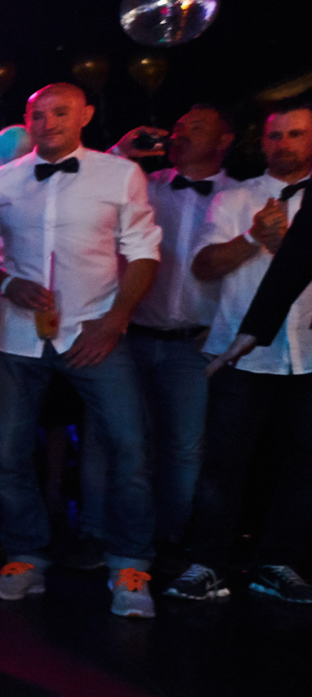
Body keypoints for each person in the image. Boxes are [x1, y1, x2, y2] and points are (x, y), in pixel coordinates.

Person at [0, 82, 162, 617]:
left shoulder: (119, 174)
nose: (48, 122)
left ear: (86, 115)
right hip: (18, 334)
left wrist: (114, 322)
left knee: (130, 447)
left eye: (60, 112)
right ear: (27, 121)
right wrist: (7, 282)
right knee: (8, 452)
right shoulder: (0, 182)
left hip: (93, 330)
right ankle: (25, 555)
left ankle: (130, 562)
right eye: (38, 114)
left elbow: (144, 253)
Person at [172, 100, 312, 606]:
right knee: (224, 465)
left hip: (309, 353)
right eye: (275, 135)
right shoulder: (235, 197)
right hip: (239, 354)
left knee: (303, 466)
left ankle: (279, 563)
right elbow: (203, 266)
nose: (283, 144)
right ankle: (207, 564)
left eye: (295, 134)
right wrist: (254, 237)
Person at [106, 104, 233, 559]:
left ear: (224, 141)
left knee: (183, 448)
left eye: (196, 127)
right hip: (132, 334)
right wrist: (121, 150)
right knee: (123, 442)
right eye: (178, 127)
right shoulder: (143, 183)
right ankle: (116, 538)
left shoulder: (239, 196)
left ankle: (169, 540)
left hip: (194, 342)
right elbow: (90, 184)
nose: (181, 134)